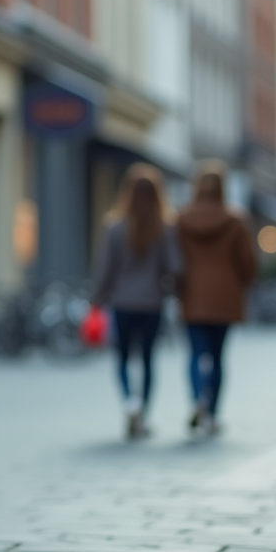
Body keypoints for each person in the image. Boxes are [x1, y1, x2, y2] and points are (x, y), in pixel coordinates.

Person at [91, 164, 183, 440]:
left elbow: (105, 268)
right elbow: (175, 266)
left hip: (122, 302)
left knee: (121, 358)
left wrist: (96, 299)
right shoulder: (165, 227)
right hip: (152, 303)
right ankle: (142, 413)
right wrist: (169, 288)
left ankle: (129, 403)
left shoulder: (115, 226)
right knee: (147, 359)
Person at [175, 160, 256, 437]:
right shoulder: (235, 220)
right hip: (224, 297)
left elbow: (175, 259)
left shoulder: (182, 219)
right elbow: (248, 264)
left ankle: (198, 399)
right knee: (218, 357)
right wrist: (239, 284)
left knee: (195, 354)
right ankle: (212, 412)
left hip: (192, 296)